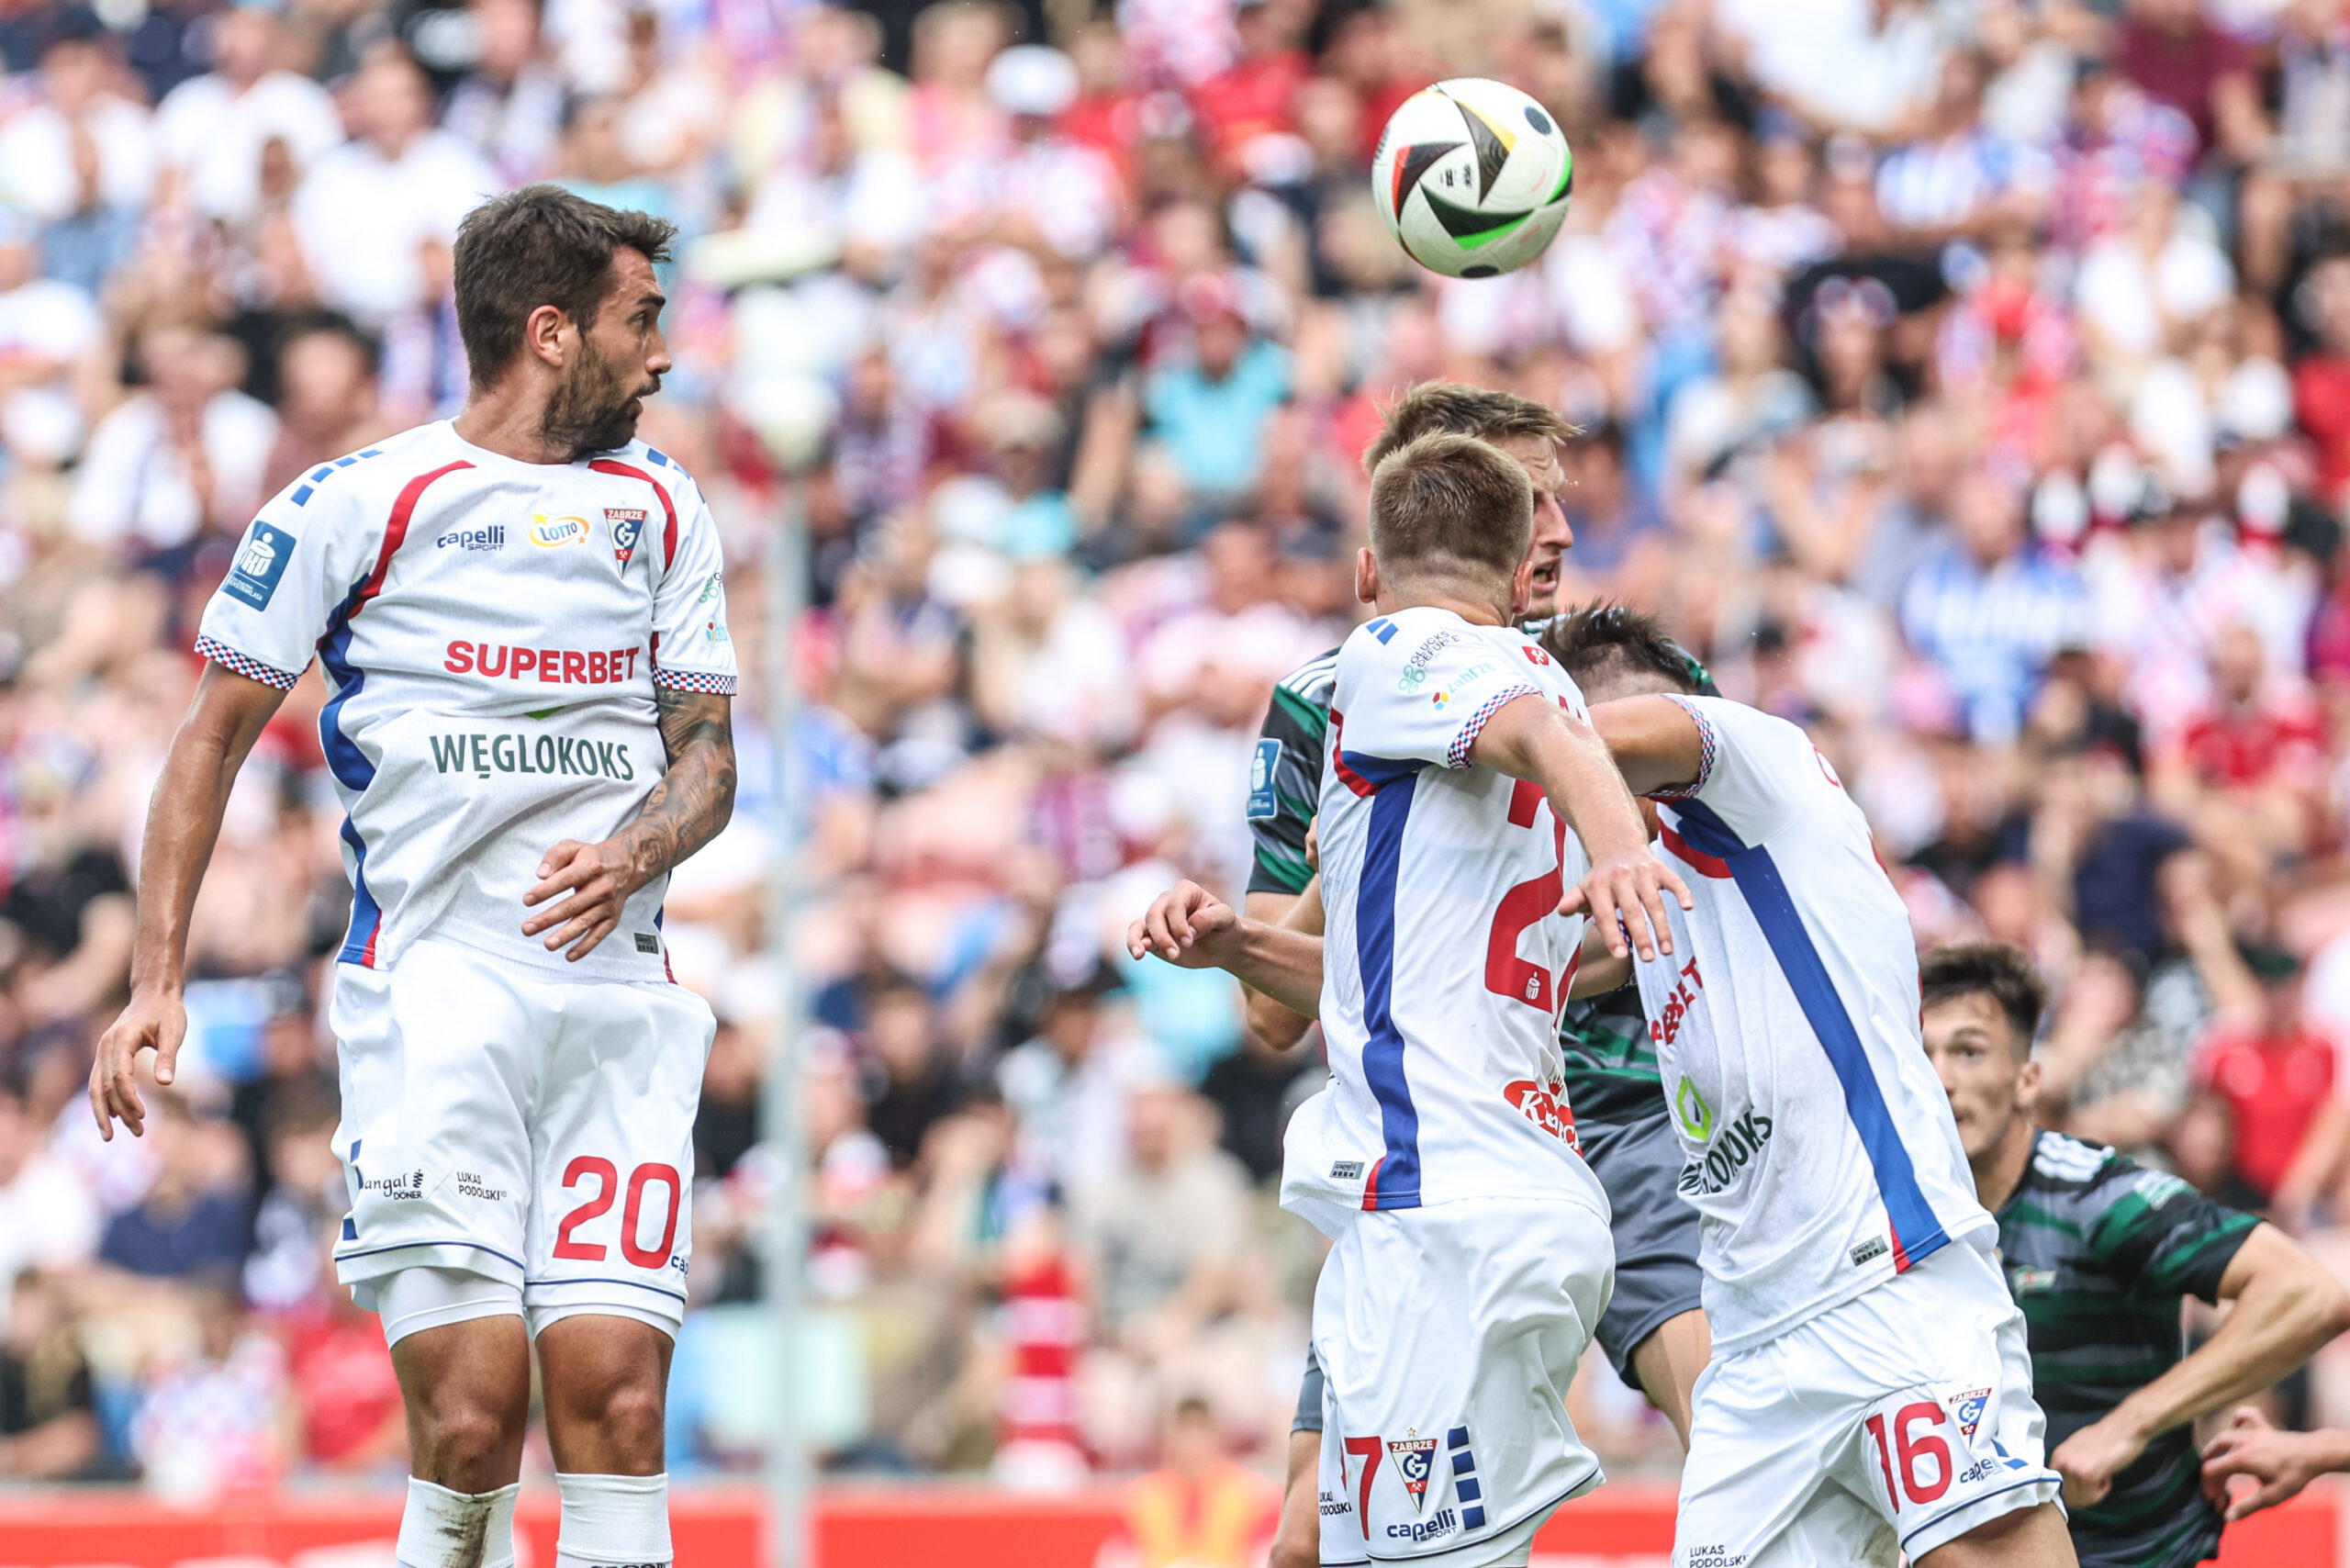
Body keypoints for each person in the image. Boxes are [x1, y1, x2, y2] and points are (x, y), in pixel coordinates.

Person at [87, 185, 738, 1568]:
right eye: (642, 321)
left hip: (620, 1006)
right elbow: (206, 746)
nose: (664, 354)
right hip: (439, 994)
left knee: (619, 1404)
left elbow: (710, 763)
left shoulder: (664, 507)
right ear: (552, 332)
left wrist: (634, 852)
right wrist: (155, 981)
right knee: (469, 1420)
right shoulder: (360, 503)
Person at [1134, 430, 1690, 1568]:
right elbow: (1410, 973)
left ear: (1366, 577)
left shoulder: (1396, 656)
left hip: (1448, 1205)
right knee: (1323, 1548)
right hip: (1484, 1191)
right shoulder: (1504, 709)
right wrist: (1244, 944)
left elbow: (1545, 735)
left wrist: (1622, 848)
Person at [1588, 676, 2074, 1566]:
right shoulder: (1648, 901)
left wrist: (1489, 748)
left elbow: (1588, 731)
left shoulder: (1758, 770)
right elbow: (1498, 957)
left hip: (1886, 1283)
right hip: (1750, 1348)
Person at [1919, 942, 2350, 1568]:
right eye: (1922, 1056)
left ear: (2027, 1079)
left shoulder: (2099, 1198)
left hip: (2137, 1555)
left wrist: (2134, 1421)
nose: (1941, 1078)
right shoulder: (1894, 1221)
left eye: (1968, 1051)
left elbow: (2311, 1294)